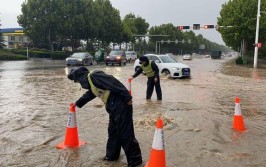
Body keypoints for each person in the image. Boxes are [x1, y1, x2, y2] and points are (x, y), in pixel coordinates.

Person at [67, 67, 142, 167]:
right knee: (113, 132)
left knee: (126, 133)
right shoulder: (91, 82)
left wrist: (127, 97)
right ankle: (112, 156)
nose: (78, 83)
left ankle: (135, 161)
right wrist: (77, 103)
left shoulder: (94, 76)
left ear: (80, 77)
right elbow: (91, 93)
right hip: (112, 106)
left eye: (77, 81)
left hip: (121, 104)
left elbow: (113, 82)